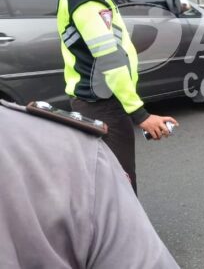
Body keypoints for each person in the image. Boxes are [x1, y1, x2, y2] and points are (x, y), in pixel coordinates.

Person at [57, 0, 177, 193]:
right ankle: (124, 236)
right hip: (103, 104)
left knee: (106, 178)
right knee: (121, 183)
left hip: (98, 100)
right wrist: (140, 115)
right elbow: (108, 58)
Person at [0, 100, 180, 268]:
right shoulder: (71, 147)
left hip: (84, 102)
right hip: (107, 106)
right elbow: (115, 73)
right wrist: (142, 116)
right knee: (115, 184)